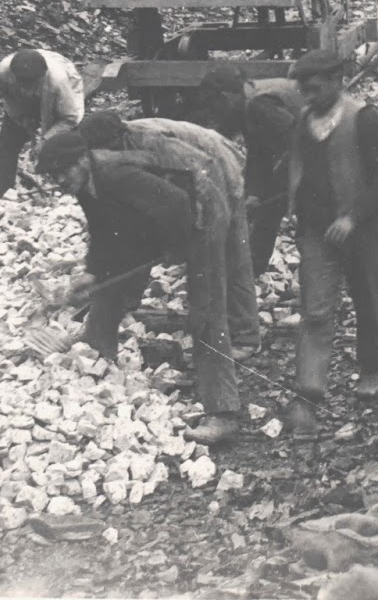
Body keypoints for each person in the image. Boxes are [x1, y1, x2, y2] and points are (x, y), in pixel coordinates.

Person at [36, 129, 244, 445]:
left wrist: (175, 249)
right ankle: (97, 356)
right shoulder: (85, 182)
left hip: (201, 210)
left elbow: (176, 204)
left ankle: (224, 414)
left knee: (206, 307)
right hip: (163, 213)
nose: (60, 180)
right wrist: (94, 274)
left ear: (83, 159)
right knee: (110, 282)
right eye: (54, 176)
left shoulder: (115, 174)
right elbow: (103, 231)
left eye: (63, 171)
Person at [79, 111, 260, 360]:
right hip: (192, 177)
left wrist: (182, 240)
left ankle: (243, 336)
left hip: (218, 167)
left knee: (225, 258)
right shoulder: (113, 157)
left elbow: (197, 172)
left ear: (117, 140)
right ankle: (128, 301)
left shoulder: (151, 142)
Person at [285, 49, 378, 439]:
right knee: (315, 311)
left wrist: (353, 217)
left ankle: (371, 369)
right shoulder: (304, 121)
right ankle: (309, 395)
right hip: (317, 232)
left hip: (361, 229)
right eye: (304, 90)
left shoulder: (363, 120)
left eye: (315, 89)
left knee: (367, 299)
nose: (309, 97)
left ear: (337, 81)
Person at [196, 61, 304, 278]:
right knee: (266, 205)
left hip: (319, 150)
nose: (215, 115)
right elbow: (258, 153)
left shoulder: (259, 105)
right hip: (302, 150)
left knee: (277, 209)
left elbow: (296, 144)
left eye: (214, 106)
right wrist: (254, 192)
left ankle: (252, 268)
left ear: (225, 97)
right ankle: (253, 267)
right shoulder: (247, 104)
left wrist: (272, 191)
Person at [0, 49, 86, 198]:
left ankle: (68, 191)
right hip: (21, 97)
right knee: (7, 143)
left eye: (31, 85)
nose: (28, 89)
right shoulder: (4, 71)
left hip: (63, 95)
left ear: (41, 78)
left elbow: (70, 118)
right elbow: (9, 99)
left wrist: (45, 139)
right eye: (24, 84)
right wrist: (22, 119)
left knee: (63, 144)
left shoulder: (58, 81)